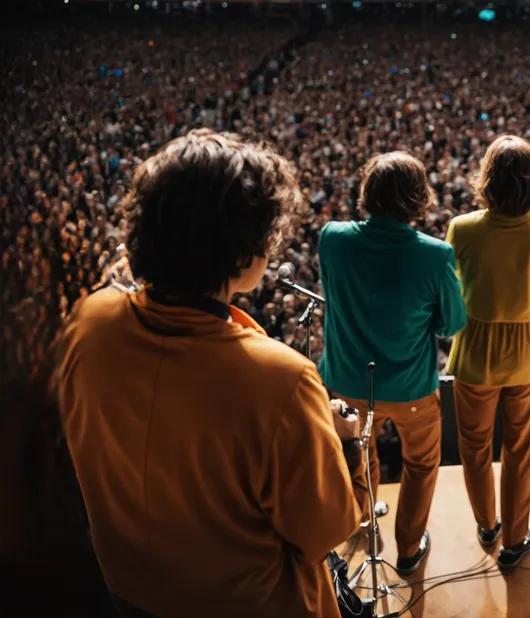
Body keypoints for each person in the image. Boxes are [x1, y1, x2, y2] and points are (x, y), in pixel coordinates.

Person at [59, 130, 362, 618]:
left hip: (125, 589)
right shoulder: (282, 380)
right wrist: (341, 442)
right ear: (243, 255)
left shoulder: (88, 321)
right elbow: (324, 532)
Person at [317, 151, 466, 574]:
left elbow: (334, 290)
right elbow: (452, 322)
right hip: (411, 389)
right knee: (420, 465)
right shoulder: (435, 255)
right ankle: (408, 548)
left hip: (348, 382)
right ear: (420, 198)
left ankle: (361, 518)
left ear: (368, 191)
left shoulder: (332, 238)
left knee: (357, 452)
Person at [446, 135, 530, 570]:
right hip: (527, 349)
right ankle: (516, 541)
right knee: (521, 448)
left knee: (474, 446)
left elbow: (455, 284)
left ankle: (487, 526)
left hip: (476, 349)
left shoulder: (462, 227)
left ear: (487, 178)